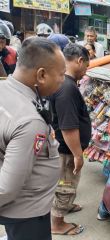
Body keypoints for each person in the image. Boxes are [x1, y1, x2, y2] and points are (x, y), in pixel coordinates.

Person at [0, 37, 65, 240]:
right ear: (42, 75)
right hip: (27, 214)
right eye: (61, 75)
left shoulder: (5, 89)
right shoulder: (29, 121)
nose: (64, 80)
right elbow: (6, 189)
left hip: (26, 209)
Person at [49, 43, 91, 236]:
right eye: (86, 66)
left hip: (64, 147)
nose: (85, 71)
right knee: (66, 185)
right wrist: (78, 155)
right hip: (66, 150)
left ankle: (65, 207)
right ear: (79, 61)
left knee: (66, 184)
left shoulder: (64, 83)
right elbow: (68, 127)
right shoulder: (67, 87)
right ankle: (57, 224)